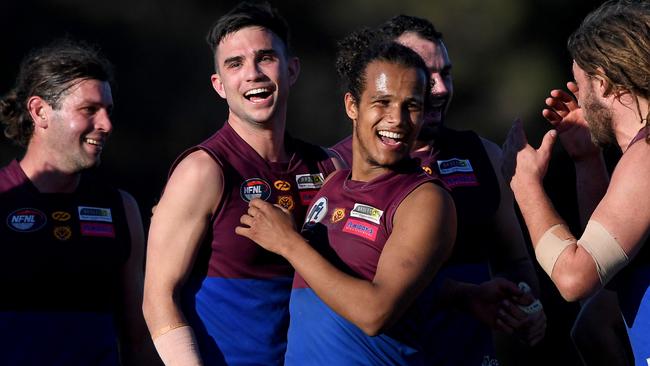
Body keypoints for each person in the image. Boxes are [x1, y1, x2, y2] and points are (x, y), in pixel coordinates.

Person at [331, 15, 545, 365]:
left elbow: (515, 262)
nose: (441, 88)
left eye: (445, 73)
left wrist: (527, 307)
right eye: (426, 75)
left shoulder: (483, 156)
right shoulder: (337, 168)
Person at [236, 29, 457, 365]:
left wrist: (289, 243)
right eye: (382, 102)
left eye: (411, 106)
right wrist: (464, 295)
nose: (396, 119)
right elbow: (371, 277)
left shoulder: (424, 199)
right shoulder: (333, 184)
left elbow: (375, 312)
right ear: (352, 106)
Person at [142, 2, 338, 365]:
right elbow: (158, 299)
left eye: (265, 58)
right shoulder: (202, 169)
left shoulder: (329, 166)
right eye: (235, 63)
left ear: (292, 69)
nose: (252, 74)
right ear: (219, 85)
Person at [502, 1, 650, 364]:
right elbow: (609, 263)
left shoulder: (647, 153)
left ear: (602, 81)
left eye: (580, 84)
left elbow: (575, 278)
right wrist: (587, 160)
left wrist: (524, 184)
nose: (578, 97)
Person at [0, 39, 158, 365]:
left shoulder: (121, 208)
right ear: (40, 111)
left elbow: (138, 338)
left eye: (108, 111)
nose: (106, 125)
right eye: (89, 110)